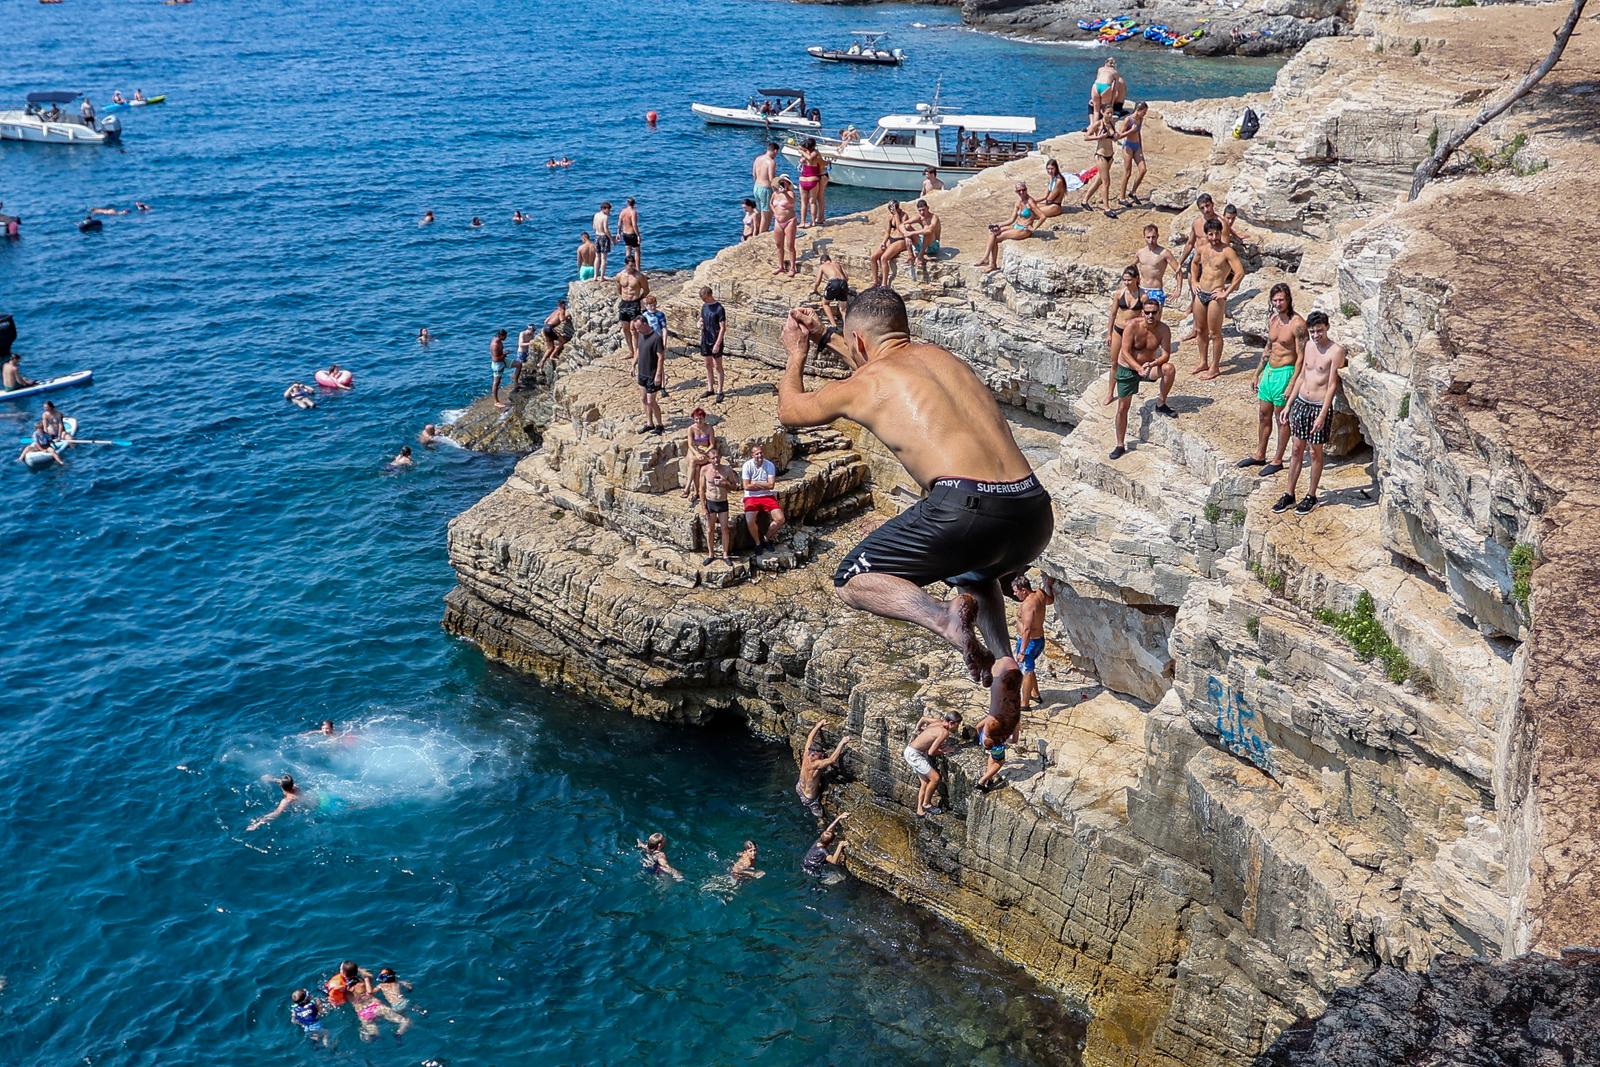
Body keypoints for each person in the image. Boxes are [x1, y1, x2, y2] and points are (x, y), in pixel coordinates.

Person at [778, 288, 1052, 713]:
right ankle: (1004, 661)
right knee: (973, 571)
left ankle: (943, 618)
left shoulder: (865, 382)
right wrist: (826, 336)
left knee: (850, 580)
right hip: (1032, 511)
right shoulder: (942, 358)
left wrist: (797, 352)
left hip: (965, 509)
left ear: (861, 344)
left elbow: (791, 410)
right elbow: (878, 372)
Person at [1273, 311, 1346, 515]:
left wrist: (1323, 415)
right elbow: (1302, 376)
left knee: (1315, 451)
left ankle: (1312, 495)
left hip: (1318, 406)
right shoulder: (1308, 345)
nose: (1316, 335)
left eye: (1319, 331)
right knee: (1296, 449)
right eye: (1313, 331)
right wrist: (1289, 405)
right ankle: (1289, 494)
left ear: (1327, 328)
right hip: (1302, 403)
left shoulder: (1335, 351)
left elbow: (1332, 385)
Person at [1239, 283, 1306, 476]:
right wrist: (1256, 372)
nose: (1278, 303)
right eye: (1275, 300)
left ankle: (1277, 459)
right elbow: (1269, 347)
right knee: (1263, 414)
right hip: (1270, 371)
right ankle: (1260, 454)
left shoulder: (1298, 324)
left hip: (1286, 372)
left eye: (1281, 300)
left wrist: (1292, 383)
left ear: (1288, 300)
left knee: (1281, 418)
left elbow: (1301, 356)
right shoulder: (1273, 319)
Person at [1109, 296, 1177, 459]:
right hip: (1129, 368)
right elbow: (1124, 352)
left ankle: (1161, 403)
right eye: (1147, 312)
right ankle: (1120, 444)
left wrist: (1152, 364)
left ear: (1158, 312)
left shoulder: (1163, 329)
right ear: (1142, 312)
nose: (1150, 316)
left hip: (1147, 367)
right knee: (1123, 407)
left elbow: (1166, 354)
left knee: (1169, 369)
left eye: (1154, 312)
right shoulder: (1132, 326)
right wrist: (1138, 368)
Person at [1188, 218, 1245, 381]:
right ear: (1206, 235)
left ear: (1221, 233)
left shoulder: (1227, 251)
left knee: (1214, 333)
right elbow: (1194, 263)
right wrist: (1194, 280)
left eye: (1217, 234)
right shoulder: (1203, 248)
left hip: (1216, 294)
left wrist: (1226, 292)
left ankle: (1215, 367)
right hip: (1201, 293)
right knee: (1200, 330)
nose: (1214, 237)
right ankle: (1203, 362)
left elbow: (1240, 272)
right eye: (1211, 234)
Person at [1011, 574, 1053, 712]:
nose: (1014, 593)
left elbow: (1027, 629)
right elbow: (1050, 600)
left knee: (1026, 671)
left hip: (1029, 643)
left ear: (1024, 590)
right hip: (1039, 640)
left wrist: (1022, 651)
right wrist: (1048, 586)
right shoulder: (1040, 593)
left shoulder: (1028, 605)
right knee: (1030, 667)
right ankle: (1035, 694)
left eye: (1016, 591)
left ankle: (1024, 703)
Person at [904, 712, 960, 816]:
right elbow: (931, 752)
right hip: (915, 755)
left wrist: (918, 729)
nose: (958, 727)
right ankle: (927, 804)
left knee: (925, 782)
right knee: (935, 778)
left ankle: (919, 810)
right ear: (951, 723)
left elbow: (923, 718)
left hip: (910, 750)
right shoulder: (944, 732)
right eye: (958, 724)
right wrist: (945, 751)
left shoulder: (938, 722)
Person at [975, 184, 1038, 271]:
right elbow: (1012, 219)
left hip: (1024, 230)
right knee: (992, 232)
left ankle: (989, 261)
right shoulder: (1018, 202)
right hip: (1016, 226)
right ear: (1016, 192)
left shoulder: (1030, 202)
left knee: (996, 239)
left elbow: (1042, 216)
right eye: (1019, 191)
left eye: (1023, 190)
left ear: (1026, 189)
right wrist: (999, 225)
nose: (1021, 192)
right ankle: (988, 260)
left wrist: (1034, 228)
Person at [796, 720, 849, 821]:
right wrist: (842, 742)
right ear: (815, 755)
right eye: (821, 755)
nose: (823, 755)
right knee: (821, 816)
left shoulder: (807, 753)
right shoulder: (816, 764)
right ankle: (821, 821)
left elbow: (809, 738)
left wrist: (818, 725)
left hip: (799, 788)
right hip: (809, 798)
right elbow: (832, 760)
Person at [1176, 193, 1221, 309]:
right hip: (1197, 256)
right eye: (1202, 208)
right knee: (1192, 279)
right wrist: (1180, 262)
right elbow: (1190, 243)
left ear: (1212, 204)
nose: (1206, 210)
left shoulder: (1220, 222)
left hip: (1212, 257)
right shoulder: (1197, 223)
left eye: (1208, 206)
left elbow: (1225, 243)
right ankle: (1193, 303)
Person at [741, 443, 785, 552]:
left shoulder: (769, 465)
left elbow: (771, 485)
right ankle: (758, 543)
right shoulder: (747, 465)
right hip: (751, 497)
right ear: (752, 455)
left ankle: (766, 538)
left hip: (767, 495)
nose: (760, 455)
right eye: (757, 454)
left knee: (780, 519)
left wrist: (755, 483)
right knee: (750, 520)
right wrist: (763, 484)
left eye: (761, 453)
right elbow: (746, 486)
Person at [1106, 265, 1144, 384]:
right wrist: (1109, 333)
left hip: (1132, 332)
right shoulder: (1119, 294)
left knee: (1129, 361)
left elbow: (1146, 316)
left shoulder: (1143, 296)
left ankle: (1128, 385)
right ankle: (1110, 392)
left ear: (1137, 278)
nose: (1126, 282)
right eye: (1124, 279)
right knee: (1114, 362)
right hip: (1119, 329)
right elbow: (1112, 314)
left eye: (1129, 280)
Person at [349, 971, 410, 1041]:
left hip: (363, 1013)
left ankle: (370, 1037)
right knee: (405, 1021)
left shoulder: (348, 994)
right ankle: (398, 1034)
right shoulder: (364, 984)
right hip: (377, 1007)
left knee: (373, 1034)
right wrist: (359, 971)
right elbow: (369, 976)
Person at [1079, 111, 1119, 216]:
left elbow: (1114, 137)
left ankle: (1085, 200)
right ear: (1103, 113)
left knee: (1099, 181)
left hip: (1110, 155)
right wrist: (1098, 137)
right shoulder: (1098, 124)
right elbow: (1086, 137)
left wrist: (1115, 136)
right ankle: (1106, 208)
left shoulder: (1111, 124)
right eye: (1108, 113)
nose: (1110, 115)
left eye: (1111, 113)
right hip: (1101, 156)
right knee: (1106, 182)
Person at [699, 446, 733, 565]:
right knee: (710, 530)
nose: (716, 460)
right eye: (713, 458)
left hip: (722, 502)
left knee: (725, 529)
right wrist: (703, 507)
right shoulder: (704, 470)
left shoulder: (727, 469)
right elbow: (701, 489)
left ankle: (725, 554)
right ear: (709, 459)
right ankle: (711, 554)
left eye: (718, 457)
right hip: (711, 502)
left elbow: (735, 486)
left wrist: (725, 483)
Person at [632, 318, 665, 435]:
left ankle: (660, 424)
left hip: (652, 374)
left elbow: (661, 357)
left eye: (638, 327)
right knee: (643, 399)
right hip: (642, 373)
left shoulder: (656, 338)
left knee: (651, 401)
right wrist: (633, 364)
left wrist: (658, 375)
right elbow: (639, 350)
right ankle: (649, 423)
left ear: (645, 324)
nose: (637, 330)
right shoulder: (641, 335)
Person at [1134, 223, 1180, 307]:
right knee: (1141, 318)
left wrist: (1178, 290)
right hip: (1141, 289)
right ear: (1144, 237)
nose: (1151, 240)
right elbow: (1131, 269)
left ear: (1157, 236)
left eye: (1153, 237)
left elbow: (1178, 270)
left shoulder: (1164, 253)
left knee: (1155, 318)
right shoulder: (1140, 252)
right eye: (1148, 237)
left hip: (1156, 290)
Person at [616, 256, 651, 363]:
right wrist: (623, 297)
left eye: (633, 265)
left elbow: (646, 290)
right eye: (630, 265)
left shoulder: (639, 276)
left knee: (634, 329)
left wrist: (639, 298)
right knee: (625, 328)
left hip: (634, 303)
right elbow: (618, 288)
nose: (632, 267)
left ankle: (637, 352)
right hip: (624, 304)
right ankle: (631, 351)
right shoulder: (620, 275)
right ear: (626, 265)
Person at [869, 201, 910, 287]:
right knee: (873, 257)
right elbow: (888, 232)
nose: (891, 212)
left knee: (884, 258)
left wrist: (896, 216)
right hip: (892, 238)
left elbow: (900, 229)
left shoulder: (904, 215)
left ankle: (884, 284)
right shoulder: (890, 217)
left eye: (893, 209)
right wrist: (883, 242)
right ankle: (875, 281)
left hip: (901, 239)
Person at [902, 199, 942, 283]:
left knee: (927, 231)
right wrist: (906, 233)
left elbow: (929, 231)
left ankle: (920, 256)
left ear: (928, 208)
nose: (922, 212)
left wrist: (912, 233)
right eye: (920, 210)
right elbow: (902, 225)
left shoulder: (934, 217)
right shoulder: (919, 217)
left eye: (923, 209)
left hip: (933, 246)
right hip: (922, 244)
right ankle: (910, 255)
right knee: (907, 227)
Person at [1117, 103, 1149, 205]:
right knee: (1127, 172)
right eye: (1143, 112)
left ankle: (1133, 191)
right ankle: (1121, 197)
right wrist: (1131, 130)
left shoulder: (1140, 119)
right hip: (1128, 146)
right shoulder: (1128, 120)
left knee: (1143, 169)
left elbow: (1138, 133)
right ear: (1138, 110)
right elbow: (1120, 135)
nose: (1144, 114)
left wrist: (1141, 147)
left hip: (1137, 146)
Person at [682, 407, 717, 500]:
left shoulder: (709, 428)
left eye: (700, 418)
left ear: (704, 418)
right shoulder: (691, 429)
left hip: (705, 449)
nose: (698, 421)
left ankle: (688, 488)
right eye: (696, 419)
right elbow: (690, 444)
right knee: (694, 464)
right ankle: (693, 489)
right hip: (694, 449)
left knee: (694, 464)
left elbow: (712, 444)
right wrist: (697, 453)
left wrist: (704, 452)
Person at [699, 286, 726, 401]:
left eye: (704, 298)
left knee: (717, 366)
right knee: (707, 365)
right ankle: (710, 388)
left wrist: (717, 344)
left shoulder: (719, 308)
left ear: (710, 296)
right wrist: (699, 323)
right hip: (705, 338)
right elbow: (702, 319)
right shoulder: (704, 306)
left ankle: (720, 390)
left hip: (715, 340)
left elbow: (723, 328)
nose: (703, 301)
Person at [770, 176, 798, 277]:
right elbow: (771, 204)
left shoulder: (790, 193)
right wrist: (775, 213)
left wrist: (785, 192)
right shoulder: (775, 194)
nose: (783, 184)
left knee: (790, 245)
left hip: (789, 221)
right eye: (781, 182)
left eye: (785, 182)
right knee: (778, 244)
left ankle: (792, 267)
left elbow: (792, 202)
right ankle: (780, 266)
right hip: (778, 221)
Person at [812, 252, 849, 327]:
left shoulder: (823, 266)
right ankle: (846, 326)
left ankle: (834, 325)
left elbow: (817, 281)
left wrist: (815, 290)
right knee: (843, 309)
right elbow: (846, 277)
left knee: (825, 303)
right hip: (843, 283)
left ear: (822, 261)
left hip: (834, 283)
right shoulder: (836, 263)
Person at [797, 138, 826, 228]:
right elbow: (821, 163)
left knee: (803, 202)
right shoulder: (815, 155)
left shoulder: (803, 155)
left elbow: (800, 149)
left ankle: (802, 222)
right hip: (812, 180)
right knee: (812, 202)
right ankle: (813, 221)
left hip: (803, 179)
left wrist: (802, 151)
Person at [752, 142, 779, 233]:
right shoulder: (771, 162)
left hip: (756, 187)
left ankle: (756, 231)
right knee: (766, 214)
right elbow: (772, 178)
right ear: (775, 151)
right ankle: (762, 233)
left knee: (759, 211)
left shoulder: (758, 158)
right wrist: (776, 191)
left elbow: (754, 175)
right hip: (765, 189)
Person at [542, 298, 571, 370]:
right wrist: (568, 316)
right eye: (565, 304)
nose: (566, 306)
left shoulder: (555, 311)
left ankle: (541, 363)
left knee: (550, 348)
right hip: (550, 329)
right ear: (563, 305)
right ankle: (553, 355)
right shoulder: (562, 311)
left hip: (545, 328)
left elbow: (545, 321)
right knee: (562, 341)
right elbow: (562, 319)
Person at [592, 202, 614, 281]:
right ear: (604, 209)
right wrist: (611, 239)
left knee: (597, 257)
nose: (609, 212)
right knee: (604, 258)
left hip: (597, 236)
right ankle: (602, 277)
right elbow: (606, 229)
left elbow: (594, 227)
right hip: (604, 237)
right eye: (608, 210)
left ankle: (595, 276)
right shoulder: (605, 217)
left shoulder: (596, 215)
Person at [619, 197, 642, 268]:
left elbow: (619, 223)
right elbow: (634, 225)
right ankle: (638, 269)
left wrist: (618, 233)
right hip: (632, 233)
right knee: (637, 251)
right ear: (634, 204)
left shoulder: (622, 211)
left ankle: (627, 268)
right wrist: (638, 235)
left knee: (628, 251)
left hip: (625, 233)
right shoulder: (633, 212)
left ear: (627, 203)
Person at [490, 328, 509, 408]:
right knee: (496, 383)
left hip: (502, 361)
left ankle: (516, 383)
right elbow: (495, 359)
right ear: (500, 336)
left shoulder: (498, 340)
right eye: (505, 336)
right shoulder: (495, 345)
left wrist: (503, 354)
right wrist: (504, 355)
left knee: (518, 364)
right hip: (497, 365)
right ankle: (496, 402)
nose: (506, 338)